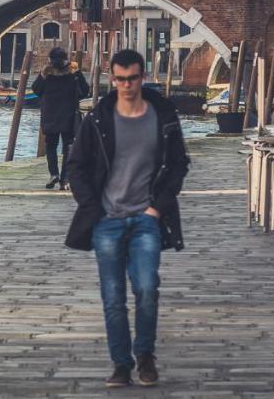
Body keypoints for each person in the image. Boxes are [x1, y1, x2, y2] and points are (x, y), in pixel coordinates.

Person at [64, 48, 190, 389]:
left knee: (147, 288)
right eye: (119, 79)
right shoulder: (99, 119)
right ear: (112, 77)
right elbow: (75, 166)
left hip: (147, 217)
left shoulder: (162, 116)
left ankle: (145, 356)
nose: (126, 85)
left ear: (142, 77)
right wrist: (93, 208)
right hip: (107, 220)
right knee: (113, 296)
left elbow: (179, 163)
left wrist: (157, 207)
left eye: (132, 78)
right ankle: (122, 364)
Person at [31, 46, 89, 190]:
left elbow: (36, 90)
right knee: (68, 147)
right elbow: (84, 92)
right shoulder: (72, 75)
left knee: (51, 146)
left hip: (50, 116)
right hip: (69, 116)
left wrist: (42, 75)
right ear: (65, 60)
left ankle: (53, 174)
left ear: (50, 60)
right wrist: (78, 73)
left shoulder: (46, 74)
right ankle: (65, 180)